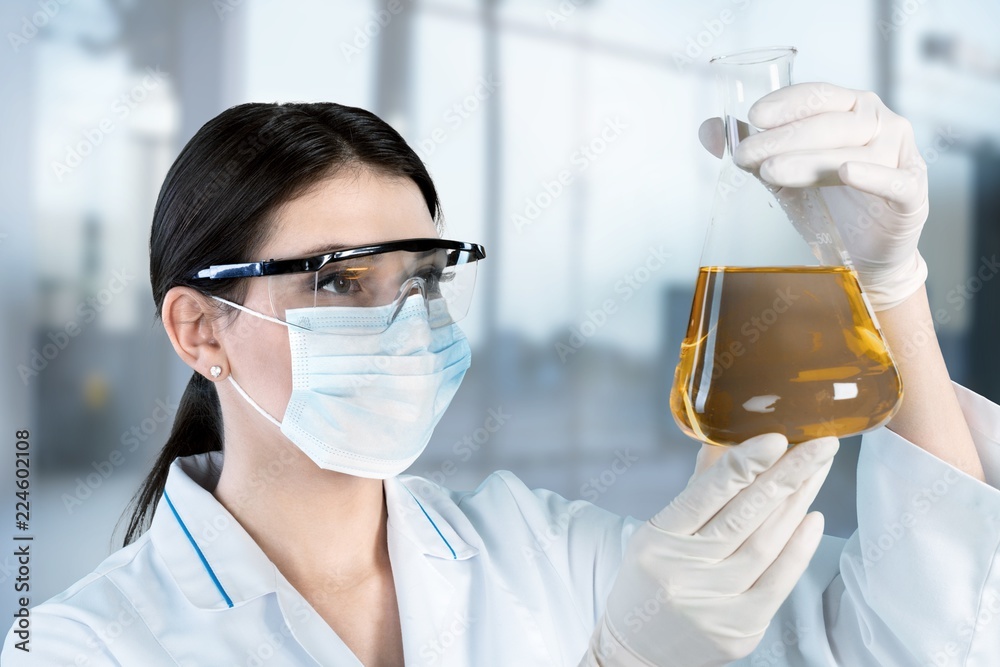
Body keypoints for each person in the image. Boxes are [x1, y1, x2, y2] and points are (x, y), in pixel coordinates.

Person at [3, 84, 998, 667]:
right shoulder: (82, 645)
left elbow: (910, 642)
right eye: (341, 281)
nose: (402, 322)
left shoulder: (535, 546)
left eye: (423, 277)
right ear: (198, 330)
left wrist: (886, 282)